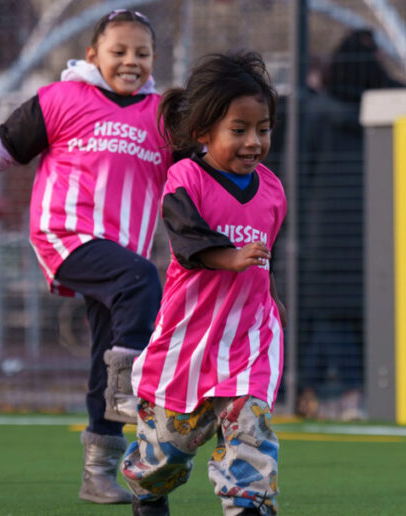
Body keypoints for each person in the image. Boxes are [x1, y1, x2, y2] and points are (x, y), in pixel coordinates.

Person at [0, 9, 173, 504]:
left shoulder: (164, 118)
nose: (130, 61)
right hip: (66, 235)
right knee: (141, 282)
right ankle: (130, 387)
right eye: (118, 51)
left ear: (154, 59)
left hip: (122, 256)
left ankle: (98, 471)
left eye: (141, 53)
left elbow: (193, 181)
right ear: (93, 55)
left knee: (108, 343)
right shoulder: (62, 100)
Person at [122, 51, 286, 516]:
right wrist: (231, 258)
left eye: (264, 129)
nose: (254, 141)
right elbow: (187, 239)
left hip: (251, 338)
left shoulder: (272, 189)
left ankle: (249, 504)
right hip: (187, 342)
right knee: (166, 451)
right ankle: (148, 494)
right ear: (202, 132)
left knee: (251, 432)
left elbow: (266, 255)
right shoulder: (185, 179)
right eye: (240, 130)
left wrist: (273, 298)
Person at [297, 29, 404, 418]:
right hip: (384, 230)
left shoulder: (314, 115)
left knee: (329, 317)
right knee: (370, 316)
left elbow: (299, 176)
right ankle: (355, 392)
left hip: (324, 236)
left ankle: (341, 392)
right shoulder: (394, 112)